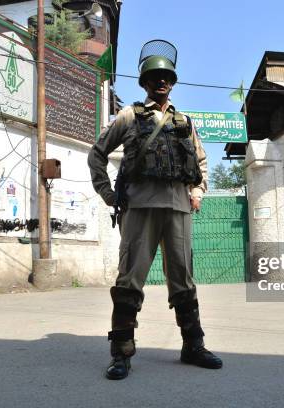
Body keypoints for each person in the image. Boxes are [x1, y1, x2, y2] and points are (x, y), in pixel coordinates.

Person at [88, 39, 222, 380]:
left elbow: (201, 163)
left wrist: (197, 191)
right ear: (144, 83)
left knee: (184, 281)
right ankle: (121, 353)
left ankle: (193, 345)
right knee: (129, 280)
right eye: (153, 77)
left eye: (165, 77)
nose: (160, 82)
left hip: (177, 209)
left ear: (173, 82)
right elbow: (97, 155)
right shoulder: (129, 116)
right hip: (141, 208)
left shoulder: (186, 122)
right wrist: (108, 194)